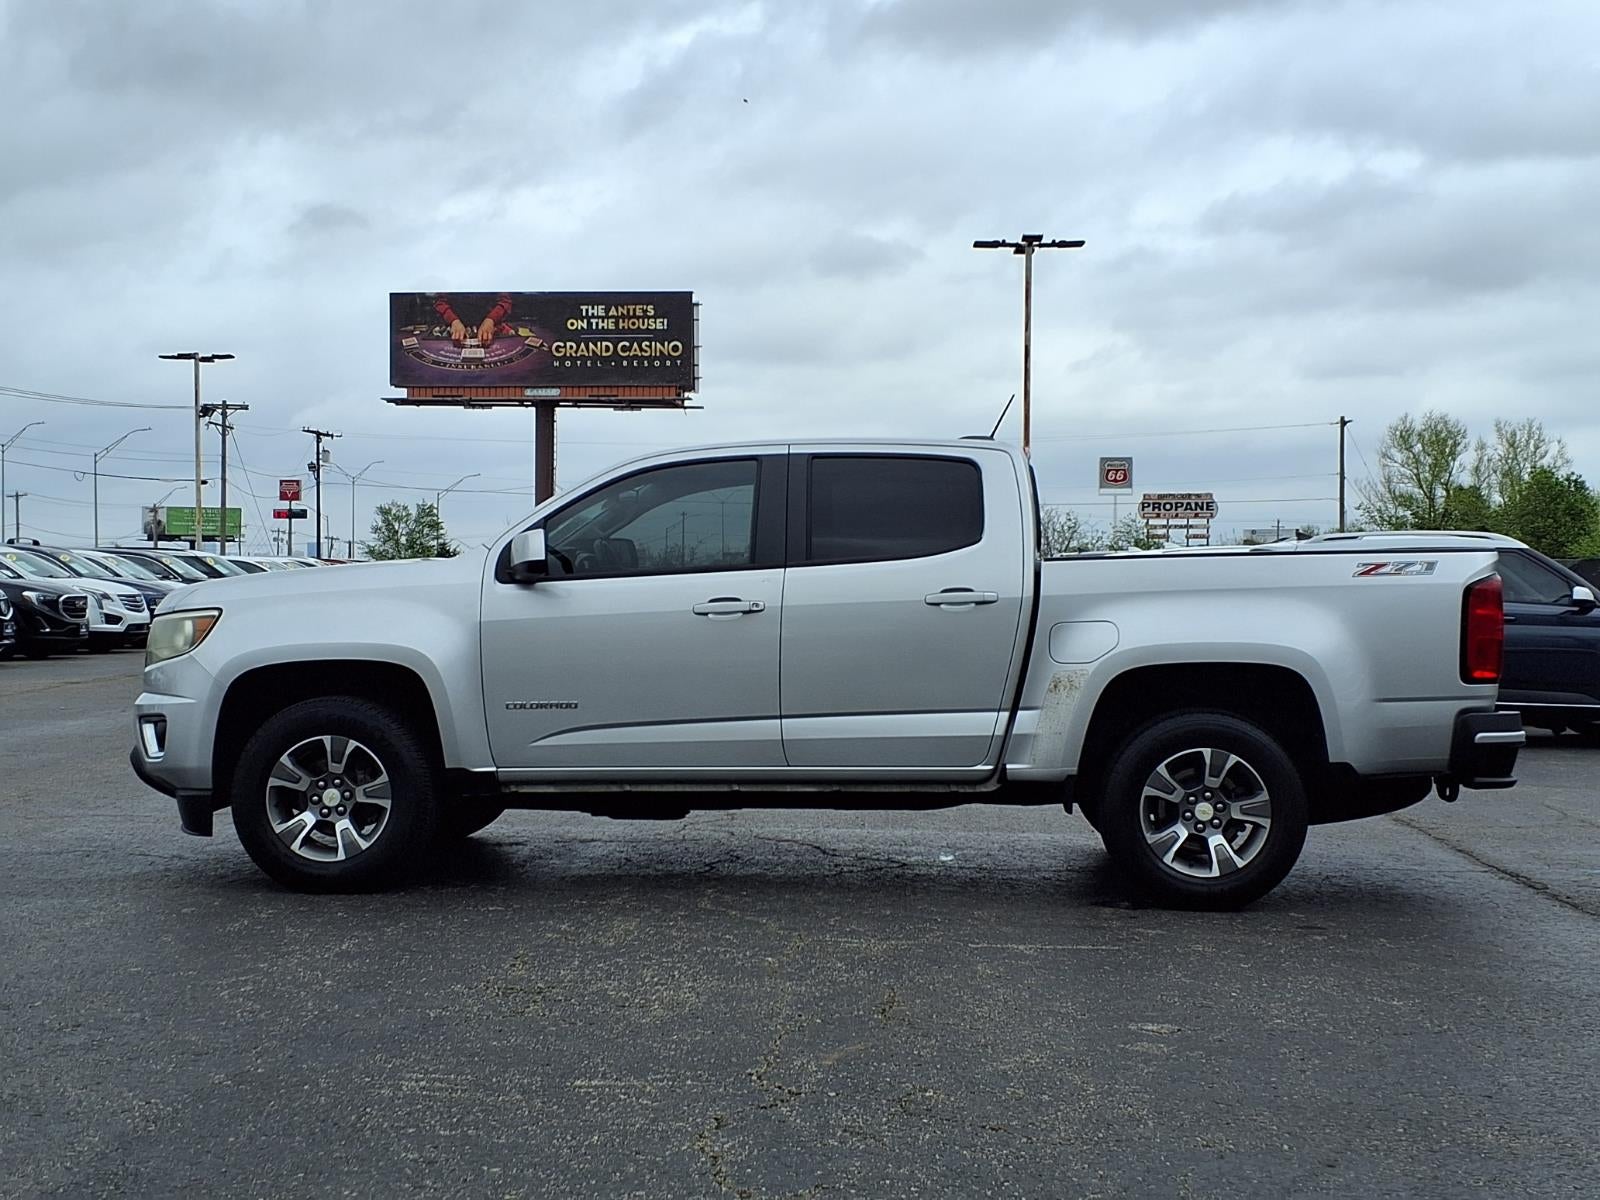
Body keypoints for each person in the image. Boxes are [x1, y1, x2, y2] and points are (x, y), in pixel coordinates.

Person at [429, 293, 513, 347]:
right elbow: (440, 302)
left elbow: (505, 301)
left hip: (491, 328)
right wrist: (453, 320)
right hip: (455, 328)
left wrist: (491, 320)